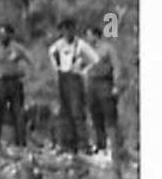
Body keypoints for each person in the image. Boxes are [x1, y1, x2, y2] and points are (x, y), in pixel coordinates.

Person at [48, 17, 96, 153]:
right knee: (65, 111)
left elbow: (94, 58)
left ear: (74, 30)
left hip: (75, 78)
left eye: (70, 29)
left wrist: (83, 69)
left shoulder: (80, 44)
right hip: (63, 77)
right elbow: (51, 53)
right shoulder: (59, 45)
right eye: (64, 29)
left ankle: (83, 144)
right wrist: (55, 67)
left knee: (77, 112)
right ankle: (68, 144)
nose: (67, 32)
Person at [0, 22, 31, 147]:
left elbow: (30, 62)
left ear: (11, 35)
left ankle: (21, 143)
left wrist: (26, 77)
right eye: (1, 34)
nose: (3, 36)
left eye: (5, 34)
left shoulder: (17, 48)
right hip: (0, 82)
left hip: (15, 82)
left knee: (18, 113)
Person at [83, 24, 121, 156]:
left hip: (105, 83)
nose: (87, 38)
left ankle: (115, 147)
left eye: (89, 35)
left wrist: (116, 85)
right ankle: (101, 146)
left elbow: (116, 66)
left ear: (95, 35)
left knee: (109, 115)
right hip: (91, 84)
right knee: (95, 115)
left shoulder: (107, 48)